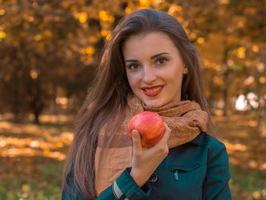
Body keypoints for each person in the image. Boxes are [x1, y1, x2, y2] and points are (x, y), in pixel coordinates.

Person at [62, 9, 231, 200]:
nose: (147, 78)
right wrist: (134, 178)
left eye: (160, 61)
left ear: (185, 63)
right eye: (134, 66)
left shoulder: (208, 152)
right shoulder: (95, 134)